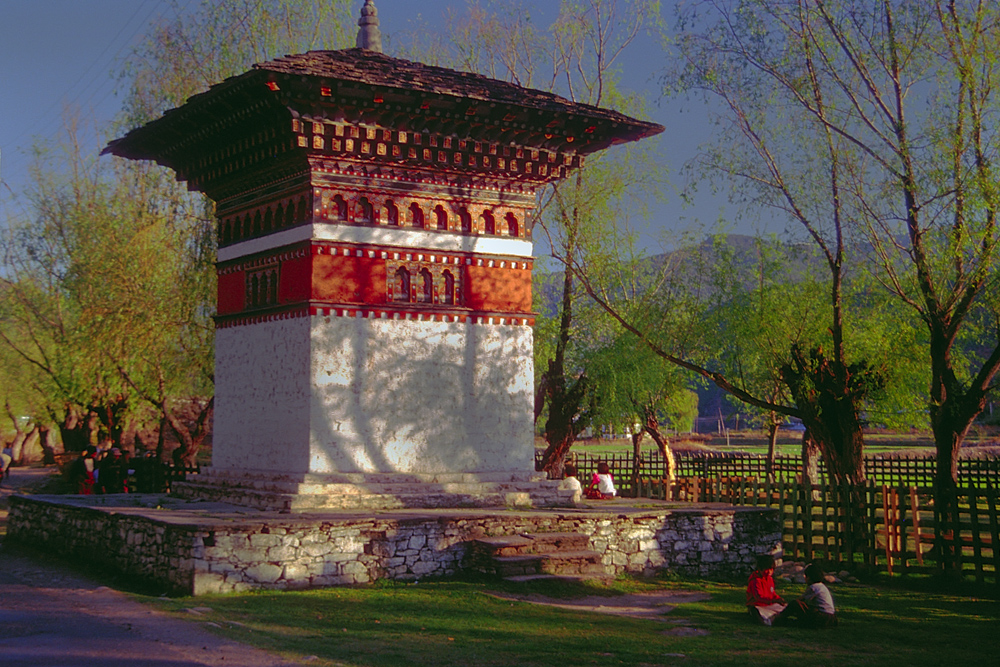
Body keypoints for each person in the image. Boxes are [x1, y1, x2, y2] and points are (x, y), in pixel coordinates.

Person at [773, 563, 838, 628]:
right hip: (831, 618)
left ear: (809, 578)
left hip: (822, 617)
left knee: (795, 604)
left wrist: (787, 606)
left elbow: (800, 600)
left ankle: (779, 618)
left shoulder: (813, 587)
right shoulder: (821, 586)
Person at [746, 554, 786, 625]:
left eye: (772, 569)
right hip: (758, 605)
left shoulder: (770, 579)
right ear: (760, 568)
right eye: (767, 569)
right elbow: (758, 597)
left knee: (784, 608)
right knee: (757, 612)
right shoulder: (755, 581)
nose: (769, 572)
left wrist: (779, 599)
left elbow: (772, 593)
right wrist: (773, 600)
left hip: (769, 604)